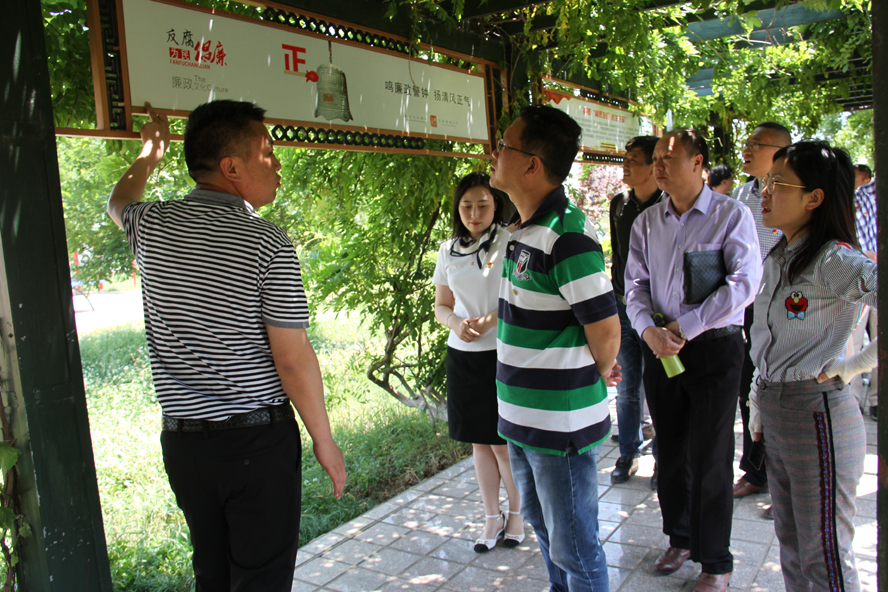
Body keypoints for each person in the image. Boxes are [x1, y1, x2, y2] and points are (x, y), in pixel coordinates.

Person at [107, 100, 346, 591]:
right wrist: (323, 440)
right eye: (268, 152)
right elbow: (292, 359)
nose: (277, 165)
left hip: (185, 448)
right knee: (260, 581)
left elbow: (118, 201)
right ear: (231, 167)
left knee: (211, 577)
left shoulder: (151, 226)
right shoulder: (267, 242)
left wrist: (151, 152)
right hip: (256, 445)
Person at [625, 129, 762, 592]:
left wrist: (687, 325)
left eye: (668, 157)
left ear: (698, 162)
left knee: (710, 455)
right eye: (655, 159)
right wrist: (648, 329)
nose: (658, 166)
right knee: (670, 449)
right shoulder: (647, 221)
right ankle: (679, 538)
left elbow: (745, 282)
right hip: (661, 346)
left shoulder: (731, 214)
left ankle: (716, 562)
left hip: (714, 348)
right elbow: (634, 285)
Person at [491, 104, 621, 592]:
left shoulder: (567, 235)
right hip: (522, 419)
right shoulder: (524, 228)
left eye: (504, 145)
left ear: (532, 164)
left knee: (575, 549)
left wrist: (591, 373)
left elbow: (606, 331)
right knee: (545, 531)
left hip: (558, 426)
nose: (494, 153)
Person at [749, 141, 876, 592]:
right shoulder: (782, 254)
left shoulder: (832, 259)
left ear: (814, 198)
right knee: (793, 548)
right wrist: (758, 401)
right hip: (780, 410)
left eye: (778, 183)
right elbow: (767, 341)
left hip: (816, 414)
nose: (765, 192)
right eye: (766, 181)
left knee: (824, 558)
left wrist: (855, 364)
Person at [432, 172, 525, 553]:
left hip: (502, 353)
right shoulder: (448, 250)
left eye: (483, 205)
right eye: (467, 205)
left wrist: (488, 320)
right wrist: (455, 323)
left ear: (496, 205)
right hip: (463, 357)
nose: (474, 213)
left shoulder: (511, 241)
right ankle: (491, 515)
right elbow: (442, 305)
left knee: (502, 443)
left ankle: (517, 513)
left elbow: (521, 296)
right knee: (479, 443)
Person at [731, 122, 792, 501]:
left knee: (784, 388)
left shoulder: (794, 194)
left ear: (780, 152)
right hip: (748, 306)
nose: (747, 149)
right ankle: (756, 470)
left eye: (757, 143)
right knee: (750, 387)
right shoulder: (741, 195)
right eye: (748, 142)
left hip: (789, 306)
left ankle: (784, 476)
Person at [608, 135, 662, 487]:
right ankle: (628, 453)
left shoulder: (669, 206)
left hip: (657, 313)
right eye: (625, 158)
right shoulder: (619, 204)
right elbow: (618, 255)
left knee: (658, 385)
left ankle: (662, 457)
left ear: (654, 166)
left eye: (634, 159)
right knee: (627, 385)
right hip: (622, 306)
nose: (625, 164)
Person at [849, 166, 878, 419]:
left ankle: (879, 400)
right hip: (861, 277)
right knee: (854, 341)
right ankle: (854, 400)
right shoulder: (858, 197)